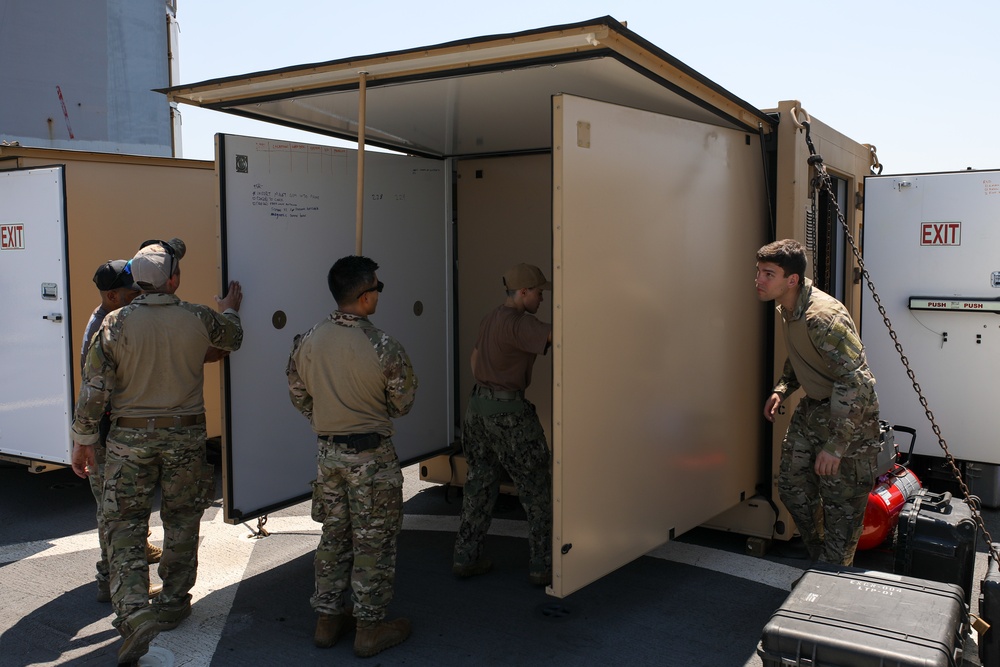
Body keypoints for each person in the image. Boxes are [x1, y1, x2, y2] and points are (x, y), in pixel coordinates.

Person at [70, 238, 244, 664]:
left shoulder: (114, 324)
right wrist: (230, 307)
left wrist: (84, 440)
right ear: (173, 279)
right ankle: (172, 603)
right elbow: (233, 338)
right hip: (185, 437)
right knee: (183, 519)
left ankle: (133, 614)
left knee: (125, 525)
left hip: (129, 441)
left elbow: (95, 390)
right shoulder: (198, 318)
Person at [287, 255, 417, 658]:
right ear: (364, 298)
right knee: (373, 543)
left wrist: (326, 419)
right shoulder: (383, 346)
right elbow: (403, 402)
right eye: (377, 287)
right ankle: (369, 629)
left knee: (334, 536)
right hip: (372, 458)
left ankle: (327, 620)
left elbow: (296, 391)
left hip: (329, 456)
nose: (379, 293)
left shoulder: (308, 338)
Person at [755, 239, 880, 566]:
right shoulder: (788, 307)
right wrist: (783, 388)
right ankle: (823, 565)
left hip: (849, 418)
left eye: (769, 274)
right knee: (793, 490)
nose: (759, 280)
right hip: (814, 411)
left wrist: (836, 445)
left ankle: (832, 578)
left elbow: (857, 381)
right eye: (759, 272)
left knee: (842, 511)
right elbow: (802, 357)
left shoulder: (822, 318)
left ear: (791, 280)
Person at [452, 263, 553, 586]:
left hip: (478, 408)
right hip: (508, 412)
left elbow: (474, 358)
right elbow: (560, 334)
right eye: (539, 293)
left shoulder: (492, 317)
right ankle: (543, 565)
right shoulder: (521, 324)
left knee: (480, 483)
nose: (542, 299)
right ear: (523, 292)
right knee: (536, 487)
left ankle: (466, 556)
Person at [81, 260, 163, 604]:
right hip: (105, 431)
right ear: (113, 295)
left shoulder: (110, 317)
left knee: (123, 504)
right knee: (113, 510)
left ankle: (133, 552)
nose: (140, 296)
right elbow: (97, 392)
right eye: (134, 293)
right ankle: (110, 578)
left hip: (107, 428)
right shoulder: (108, 328)